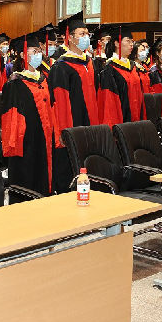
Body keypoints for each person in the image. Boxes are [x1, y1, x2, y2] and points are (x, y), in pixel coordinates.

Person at [48, 12, 98, 193]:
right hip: (73, 124)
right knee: (70, 167)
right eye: (81, 34)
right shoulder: (61, 66)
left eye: (87, 34)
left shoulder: (89, 62)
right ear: (70, 37)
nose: (86, 37)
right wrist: (64, 131)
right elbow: (60, 102)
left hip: (89, 123)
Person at [1, 33, 56, 196]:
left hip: (45, 137)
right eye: (34, 51)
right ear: (23, 54)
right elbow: (10, 119)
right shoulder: (15, 83)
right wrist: (14, 145)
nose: (38, 54)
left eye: (39, 51)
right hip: (25, 142)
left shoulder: (44, 79)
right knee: (28, 181)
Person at [98, 26, 143, 126]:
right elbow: (109, 103)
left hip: (136, 123)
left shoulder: (133, 67)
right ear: (117, 43)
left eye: (132, 41)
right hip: (121, 125)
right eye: (128, 41)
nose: (131, 44)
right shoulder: (109, 69)